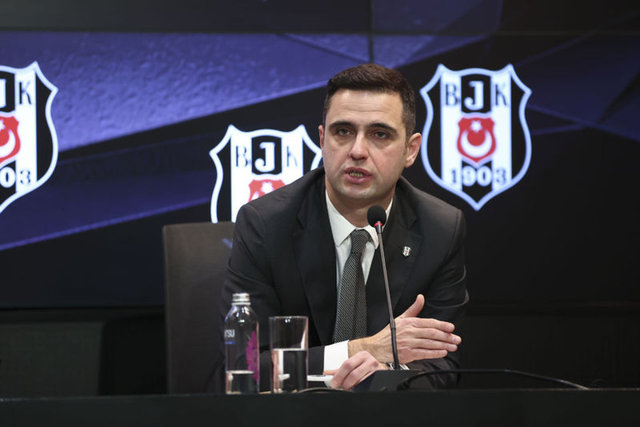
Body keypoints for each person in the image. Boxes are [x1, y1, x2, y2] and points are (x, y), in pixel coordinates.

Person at [220, 63, 468, 391]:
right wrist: (361, 350)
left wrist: (384, 374)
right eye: (343, 132)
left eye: (380, 134)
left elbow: (443, 367)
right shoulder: (266, 225)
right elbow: (245, 367)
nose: (357, 151)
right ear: (323, 139)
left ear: (410, 150)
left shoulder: (440, 229)